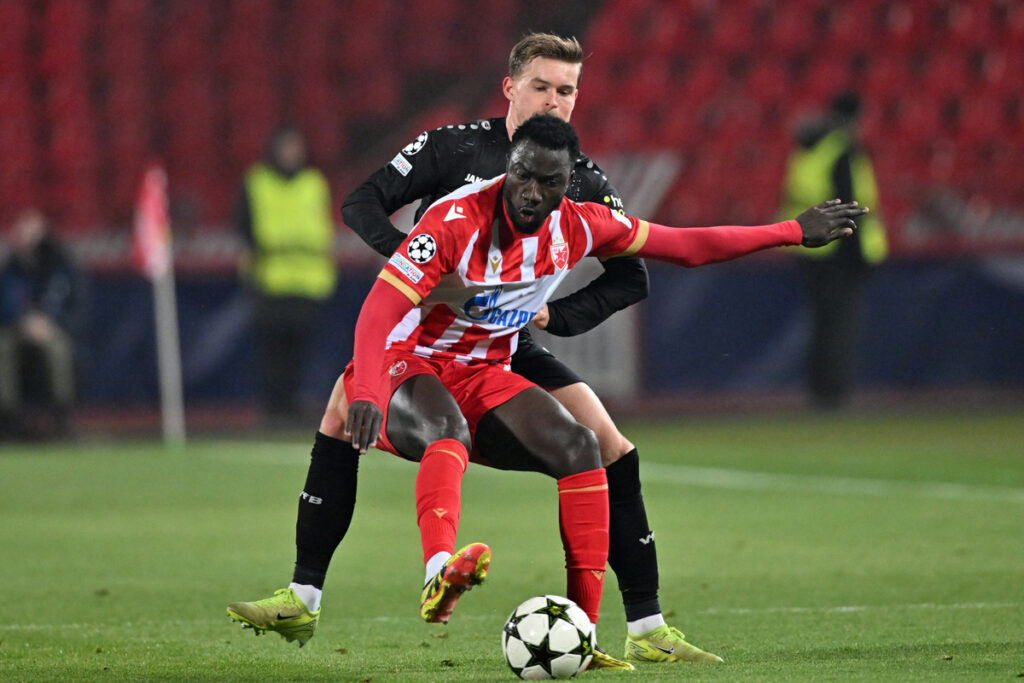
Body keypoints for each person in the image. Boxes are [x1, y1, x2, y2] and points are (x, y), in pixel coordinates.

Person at [229, 114, 867, 664]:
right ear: (510, 165)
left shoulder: (584, 225)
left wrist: (790, 231)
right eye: (524, 175)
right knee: (444, 427)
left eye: (549, 182)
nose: (532, 193)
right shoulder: (454, 220)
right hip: (408, 363)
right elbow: (376, 310)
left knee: (580, 444)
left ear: (569, 184)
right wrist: (366, 388)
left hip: (484, 370)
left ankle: (583, 635)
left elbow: (686, 246)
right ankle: (436, 577)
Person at [230, 32, 720, 668]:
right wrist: (425, 274)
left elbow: (634, 277)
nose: (553, 100)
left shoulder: (581, 177)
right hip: (428, 330)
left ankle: (646, 625)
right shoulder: (454, 145)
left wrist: (554, 314)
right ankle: (302, 596)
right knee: (342, 410)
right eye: (541, 85)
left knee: (608, 446)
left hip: (506, 341)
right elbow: (362, 203)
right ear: (511, 87)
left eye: (565, 90)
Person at [779, 92, 888, 410]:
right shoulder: (842, 150)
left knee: (823, 323)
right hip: (839, 252)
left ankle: (820, 392)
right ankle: (833, 395)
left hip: (809, 248)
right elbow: (849, 204)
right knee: (840, 326)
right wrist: (858, 255)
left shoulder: (810, 146)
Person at [234, 125, 337, 421]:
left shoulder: (314, 183)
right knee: (271, 350)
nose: (292, 154)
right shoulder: (257, 182)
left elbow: (323, 228)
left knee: (300, 351)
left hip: (308, 281)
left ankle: (293, 404)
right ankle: (273, 406)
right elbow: (243, 227)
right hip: (271, 279)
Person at [0, 209, 87, 439]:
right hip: (17, 328)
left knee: (58, 350)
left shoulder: (60, 263)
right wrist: (23, 322)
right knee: (2, 347)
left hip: (51, 328)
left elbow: (73, 303)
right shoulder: (11, 266)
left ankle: (62, 417)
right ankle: (7, 417)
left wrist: (49, 323)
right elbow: (6, 302)